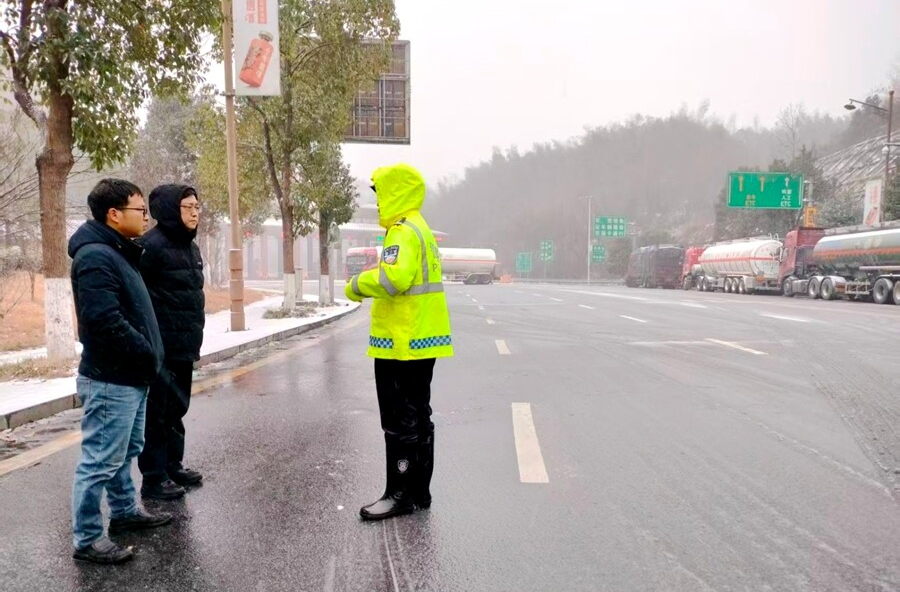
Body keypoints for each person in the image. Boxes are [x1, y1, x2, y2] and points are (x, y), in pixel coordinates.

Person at [68, 179, 171, 565]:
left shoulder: (117, 250)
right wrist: (145, 352)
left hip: (131, 376)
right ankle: (88, 537)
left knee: (124, 451)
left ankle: (125, 510)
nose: (146, 218)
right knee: (99, 460)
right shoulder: (96, 255)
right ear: (114, 214)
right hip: (112, 377)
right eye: (139, 210)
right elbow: (102, 320)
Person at [345, 163, 454, 520]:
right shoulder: (420, 229)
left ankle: (399, 494)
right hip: (422, 339)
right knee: (419, 415)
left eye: (380, 194)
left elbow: (393, 280)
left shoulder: (402, 231)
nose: (377, 203)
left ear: (397, 192)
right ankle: (419, 491)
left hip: (401, 342)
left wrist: (356, 284)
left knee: (399, 419)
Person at [137, 184, 206, 500]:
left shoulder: (191, 247)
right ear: (168, 211)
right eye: (188, 207)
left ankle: (173, 465)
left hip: (184, 344)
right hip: (159, 347)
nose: (195, 212)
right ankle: (153, 477)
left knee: (177, 407)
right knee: (157, 412)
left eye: (197, 207)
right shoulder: (149, 247)